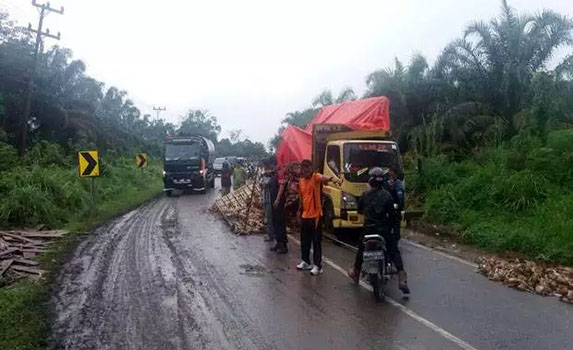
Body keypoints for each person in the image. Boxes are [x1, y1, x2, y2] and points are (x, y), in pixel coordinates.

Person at [347, 167, 410, 294]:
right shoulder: (387, 196)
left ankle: (356, 272)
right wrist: (392, 228)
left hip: (368, 230)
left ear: (371, 181)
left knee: (360, 250)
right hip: (383, 231)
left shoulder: (365, 195)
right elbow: (392, 216)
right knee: (394, 250)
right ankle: (402, 277)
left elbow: (359, 210)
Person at [296, 159, 342, 276]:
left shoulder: (315, 178)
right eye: (303, 168)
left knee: (316, 242)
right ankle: (306, 261)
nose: (305, 171)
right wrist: (299, 211)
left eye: (307, 168)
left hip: (316, 216)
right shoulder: (301, 181)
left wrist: (333, 179)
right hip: (305, 215)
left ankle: (318, 266)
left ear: (310, 168)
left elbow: (324, 178)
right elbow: (302, 198)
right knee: (304, 240)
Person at [270, 163, 288, 254]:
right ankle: (278, 242)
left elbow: (281, 187)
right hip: (273, 201)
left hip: (279, 202)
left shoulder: (280, 173)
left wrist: (277, 200)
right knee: (275, 222)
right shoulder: (274, 174)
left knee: (280, 222)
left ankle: (283, 245)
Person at [262, 158, 275, 242]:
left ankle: (271, 235)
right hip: (266, 198)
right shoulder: (266, 173)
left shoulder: (271, 175)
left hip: (270, 199)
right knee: (267, 217)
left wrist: (263, 184)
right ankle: (269, 234)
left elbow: (265, 184)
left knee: (270, 218)